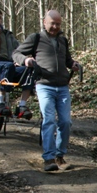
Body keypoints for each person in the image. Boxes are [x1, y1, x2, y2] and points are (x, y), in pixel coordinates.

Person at [13, 10, 80, 172]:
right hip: (44, 85)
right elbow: (16, 53)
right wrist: (26, 60)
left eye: (58, 24)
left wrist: (73, 65)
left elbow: (67, 60)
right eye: (52, 23)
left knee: (65, 122)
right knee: (49, 120)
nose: (55, 27)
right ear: (45, 22)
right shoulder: (35, 39)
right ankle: (48, 158)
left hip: (63, 86)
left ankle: (60, 156)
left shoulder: (63, 40)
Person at [0, 6, 33, 119]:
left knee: (28, 69)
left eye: (0, 17)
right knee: (8, 66)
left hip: (8, 64)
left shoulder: (7, 35)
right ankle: (0, 102)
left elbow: (20, 49)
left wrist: (22, 59)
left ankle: (22, 106)